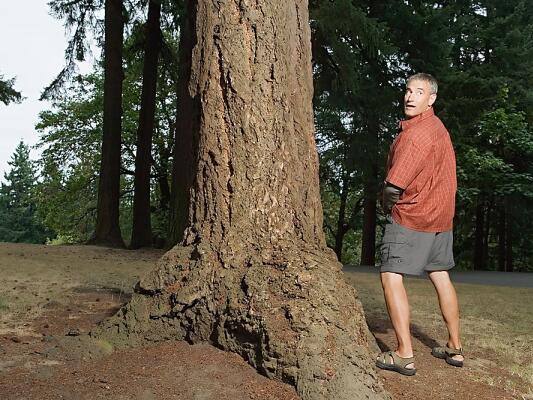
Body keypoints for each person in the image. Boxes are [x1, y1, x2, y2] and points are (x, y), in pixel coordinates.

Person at [375, 73, 464, 376]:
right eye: (408, 90)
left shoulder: (416, 135)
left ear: (432, 99)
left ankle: (404, 354)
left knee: (390, 275)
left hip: (414, 216)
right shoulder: (438, 127)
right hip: (442, 217)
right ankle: (454, 346)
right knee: (440, 274)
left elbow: (393, 186)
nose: (410, 97)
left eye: (419, 92)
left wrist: (388, 208)